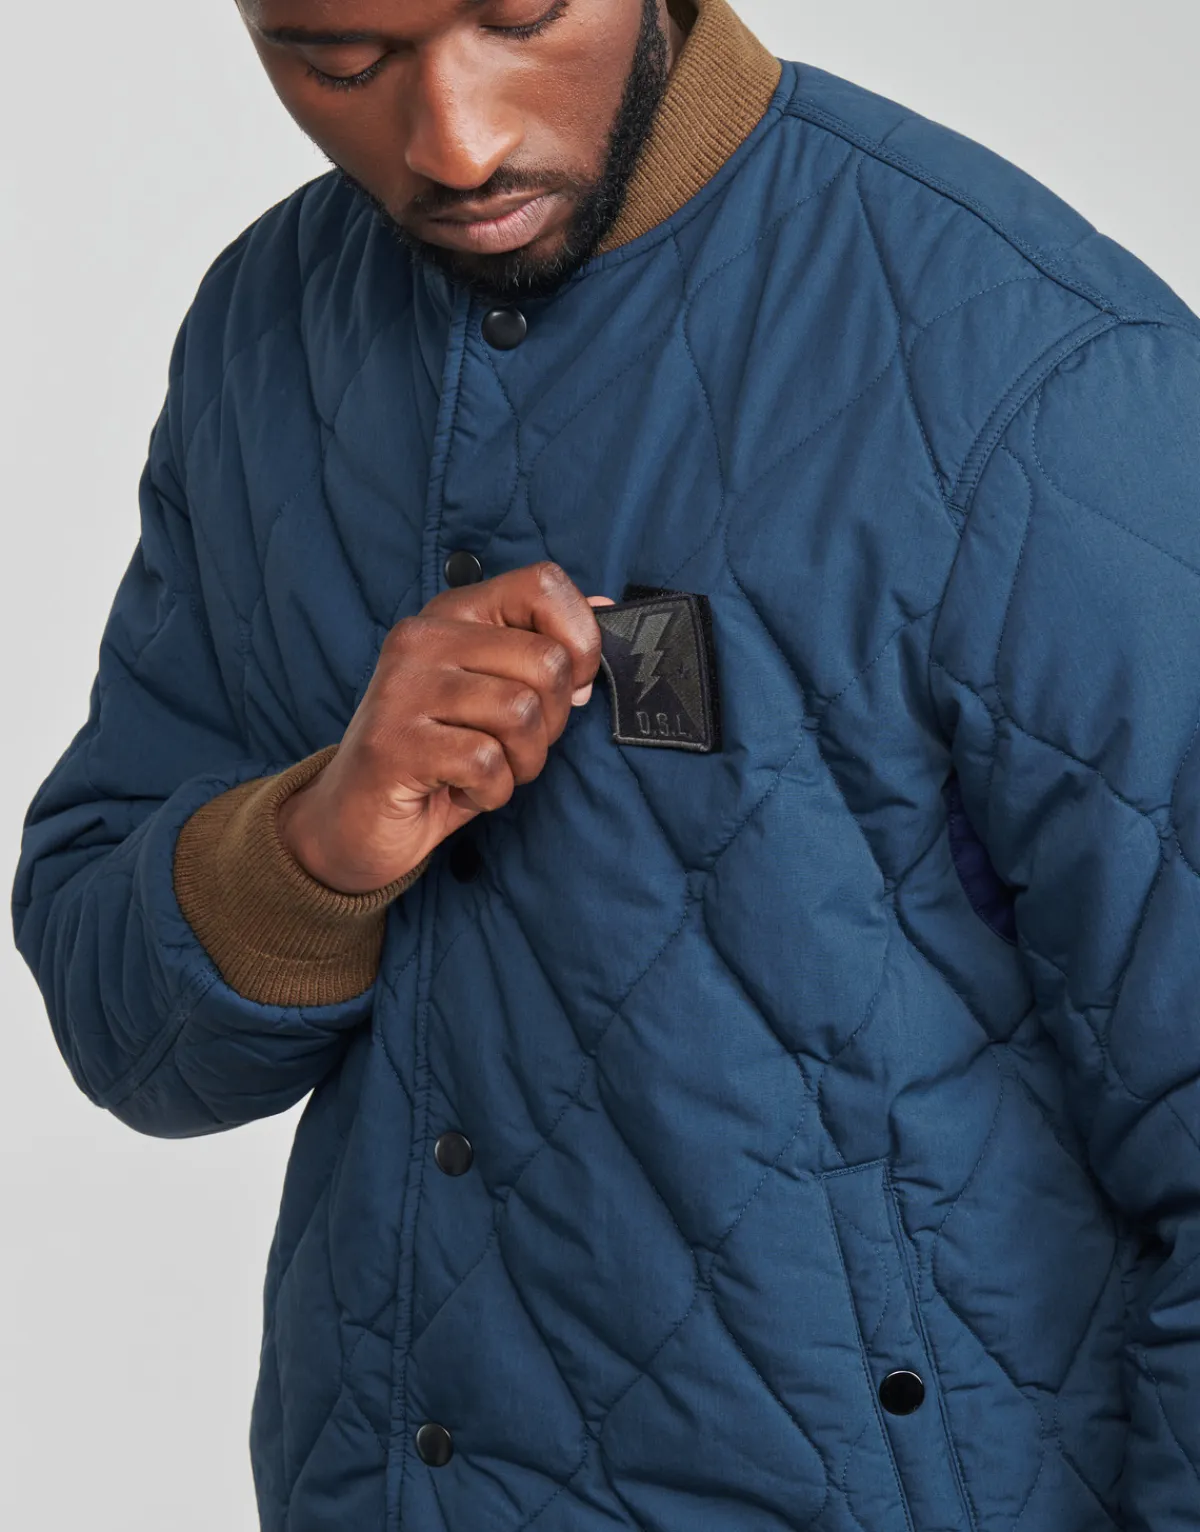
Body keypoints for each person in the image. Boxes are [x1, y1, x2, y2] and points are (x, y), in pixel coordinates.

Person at [13, 0, 1200, 1526]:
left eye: (519, 16)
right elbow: (128, 1038)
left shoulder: (1044, 373)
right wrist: (309, 849)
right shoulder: (270, 334)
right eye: (341, 61)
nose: (456, 144)